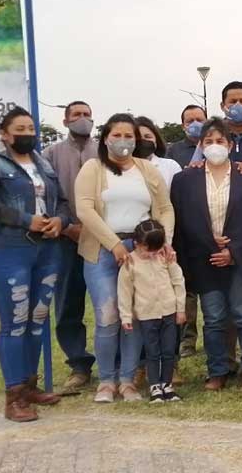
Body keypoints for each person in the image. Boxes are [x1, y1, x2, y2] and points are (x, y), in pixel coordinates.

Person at [0, 106, 69, 422]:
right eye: (20, 128)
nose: (27, 133)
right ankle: (13, 397)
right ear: (4, 133)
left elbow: (63, 202)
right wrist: (27, 220)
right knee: (15, 321)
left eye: (31, 128)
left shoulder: (43, 163)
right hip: (9, 250)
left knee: (38, 320)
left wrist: (60, 221)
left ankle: (29, 386)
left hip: (48, 250)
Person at [170, 118, 242, 391]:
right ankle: (217, 370)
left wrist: (231, 250)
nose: (214, 146)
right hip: (204, 259)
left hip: (241, 257)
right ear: (200, 145)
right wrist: (211, 244)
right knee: (213, 318)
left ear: (230, 145)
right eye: (208, 141)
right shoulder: (185, 179)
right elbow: (183, 221)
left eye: (220, 141)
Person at [75, 113, 175, 404]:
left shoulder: (147, 170)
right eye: (116, 135)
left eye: (128, 135)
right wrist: (115, 245)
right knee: (108, 316)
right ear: (105, 138)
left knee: (136, 315)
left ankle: (128, 380)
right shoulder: (92, 169)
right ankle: (106, 380)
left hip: (143, 249)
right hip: (103, 250)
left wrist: (163, 241)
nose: (122, 141)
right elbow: (85, 210)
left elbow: (165, 208)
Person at [41, 100, 98, 394]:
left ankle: (115, 361)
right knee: (67, 305)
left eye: (87, 115)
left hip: (101, 237)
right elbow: (44, 195)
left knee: (108, 303)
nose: (83, 119)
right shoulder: (50, 154)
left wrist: (93, 228)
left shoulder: (103, 150)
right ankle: (79, 364)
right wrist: (66, 225)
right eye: (76, 115)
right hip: (64, 238)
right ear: (65, 121)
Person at [118, 219, 186, 403]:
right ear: (137, 244)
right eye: (148, 250)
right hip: (147, 315)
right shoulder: (130, 263)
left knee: (169, 350)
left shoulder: (166, 258)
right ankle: (155, 385)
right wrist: (126, 316)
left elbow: (178, 282)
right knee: (152, 352)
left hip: (169, 312)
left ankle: (167, 384)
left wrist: (180, 309)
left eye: (156, 249)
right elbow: (124, 292)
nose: (152, 254)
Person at [167, 105, 207, 357]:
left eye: (199, 119)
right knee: (187, 288)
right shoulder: (173, 152)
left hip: (210, 226)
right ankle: (187, 341)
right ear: (182, 125)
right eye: (190, 120)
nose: (195, 123)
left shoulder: (217, 146)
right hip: (183, 227)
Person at [135, 116, 182, 187]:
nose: (143, 141)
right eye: (137, 137)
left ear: (156, 140)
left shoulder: (171, 166)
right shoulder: (120, 168)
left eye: (147, 137)